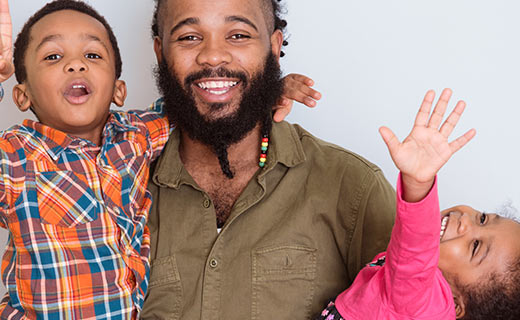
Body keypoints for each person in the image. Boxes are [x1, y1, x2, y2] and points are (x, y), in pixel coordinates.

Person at [0, 0, 318, 318]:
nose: (76, 65)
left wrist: (268, 88)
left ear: (117, 90)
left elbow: (206, 101)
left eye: (92, 55)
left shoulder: (136, 136)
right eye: (53, 56)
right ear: (22, 95)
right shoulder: (15, 156)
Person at [142, 0, 396, 318]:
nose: (213, 56)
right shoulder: (119, 186)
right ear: (160, 51)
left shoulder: (352, 187)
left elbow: (410, 302)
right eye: (189, 37)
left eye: (237, 35)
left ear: (274, 47)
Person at [316, 89, 520, 320]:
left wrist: (418, 183)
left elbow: (415, 253)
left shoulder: (425, 303)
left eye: (475, 246)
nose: (466, 222)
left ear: (455, 305)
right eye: (482, 219)